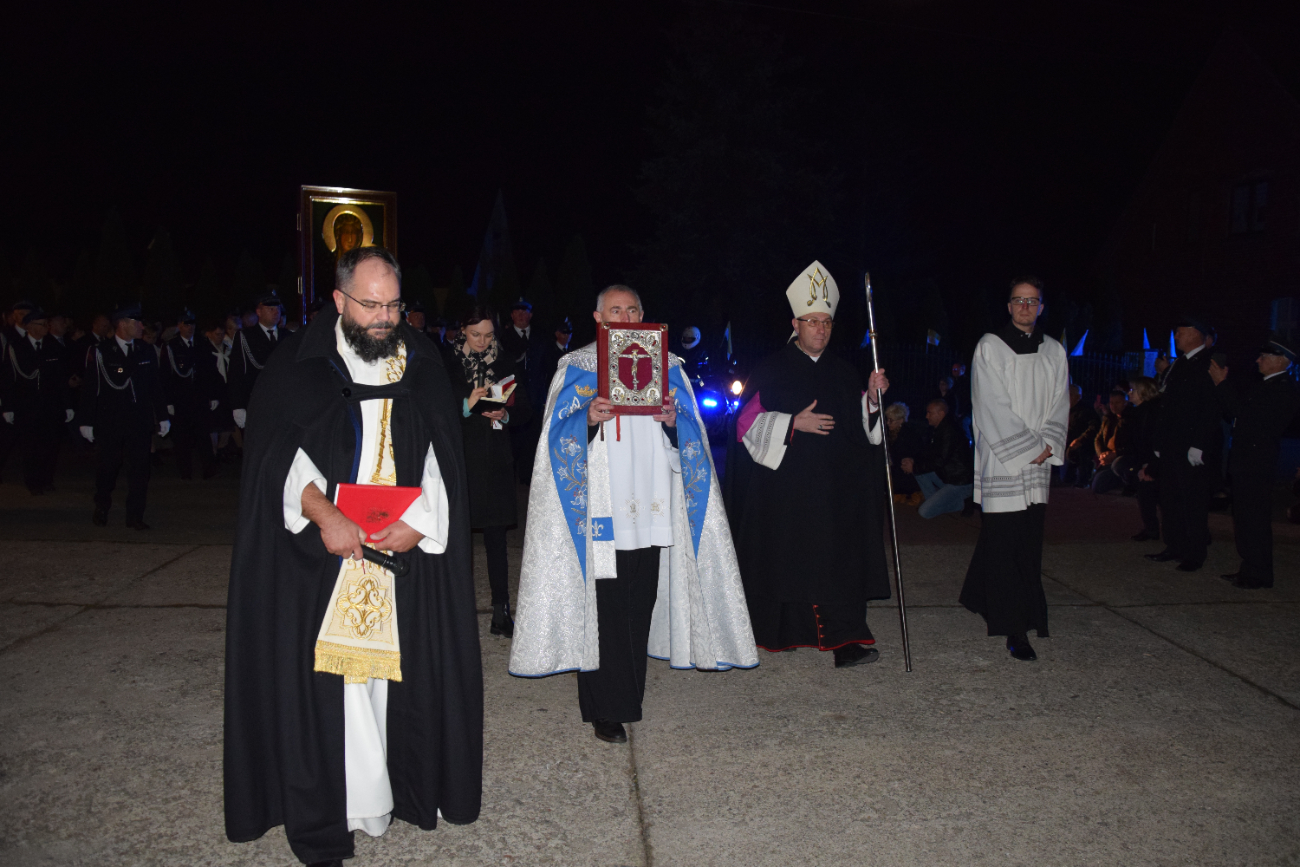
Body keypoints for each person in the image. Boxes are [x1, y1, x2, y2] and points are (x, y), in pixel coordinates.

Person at [224, 246, 481, 866]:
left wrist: (420, 524)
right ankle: (332, 811)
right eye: (371, 304)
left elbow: (442, 459)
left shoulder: (421, 361)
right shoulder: (298, 364)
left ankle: (396, 794)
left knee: (393, 679)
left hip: (402, 558)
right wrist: (324, 514)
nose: (385, 317)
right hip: (321, 560)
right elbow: (273, 457)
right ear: (339, 301)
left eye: (394, 304)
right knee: (334, 686)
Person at [510, 284, 756, 745]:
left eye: (632, 309)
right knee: (604, 608)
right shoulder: (578, 366)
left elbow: (695, 438)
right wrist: (587, 417)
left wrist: (672, 420)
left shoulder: (669, 366)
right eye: (615, 310)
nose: (624, 316)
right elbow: (552, 439)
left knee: (637, 605)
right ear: (599, 318)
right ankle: (606, 708)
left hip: (653, 505)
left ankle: (628, 695)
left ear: (643, 315)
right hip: (602, 507)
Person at [725, 261, 891, 668]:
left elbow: (861, 430)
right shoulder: (769, 369)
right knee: (788, 559)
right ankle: (781, 633)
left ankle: (846, 641)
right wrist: (790, 424)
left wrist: (871, 399)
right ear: (795, 324)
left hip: (836, 491)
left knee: (839, 561)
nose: (821, 329)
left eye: (826, 322)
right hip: (785, 493)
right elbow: (743, 425)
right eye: (812, 321)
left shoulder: (845, 371)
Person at [960, 276, 1069, 662]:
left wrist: (1048, 444)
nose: (1025, 307)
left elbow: (1060, 402)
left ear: (1041, 307)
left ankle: (978, 595)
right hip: (1004, 458)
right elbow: (989, 404)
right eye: (1018, 300)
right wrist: (1031, 447)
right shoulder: (991, 347)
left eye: (1033, 301)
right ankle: (1015, 628)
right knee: (1005, 541)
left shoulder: (1054, 350)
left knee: (1025, 540)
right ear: (1008, 306)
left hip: (1038, 462)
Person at [447, 305, 532, 637]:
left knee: (497, 537)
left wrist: (505, 415)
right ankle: (457, 608)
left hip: (496, 459)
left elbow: (525, 407)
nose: (482, 342)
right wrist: (467, 405)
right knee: (459, 538)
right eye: (475, 335)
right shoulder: (448, 363)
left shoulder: (504, 362)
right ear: (462, 333)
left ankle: (501, 609)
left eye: (488, 335)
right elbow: (434, 410)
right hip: (462, 458)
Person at [1209, 335, 1299, 589]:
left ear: (1281, 361)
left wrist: (1221, 385)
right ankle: (1250, 568)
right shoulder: (1267, 384)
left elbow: (1246, 417)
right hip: (1248, 461)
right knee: (1245, 518)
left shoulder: (1282, 388)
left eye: (1264, 357)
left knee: (1254, 519)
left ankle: (1258, 573)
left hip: (1256, 463)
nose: (1258, 360)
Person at [78, 302, 171, 529]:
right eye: (135, 322)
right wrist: (86, 421)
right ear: (122, 324)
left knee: (140, 470)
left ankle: (135, 516)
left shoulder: (145, 350)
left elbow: (154, 387)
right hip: (111, 421)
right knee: (108, 467)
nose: (140, 326)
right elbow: (91, 388)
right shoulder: (102, 351)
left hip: (139, 421)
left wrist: (162, 415)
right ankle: (102, 505)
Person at [1145, 314, 1221, 572]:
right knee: (1171, 499)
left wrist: (1199, 444)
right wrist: (1159, 441)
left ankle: (1195, 552)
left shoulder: (1207, 362)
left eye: (1181, 331)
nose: (1176, 336)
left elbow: (1209, 408)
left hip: (1190, 446)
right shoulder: (1179, 364)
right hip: (1171, 444)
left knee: (1193, 501)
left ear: (1196, 333)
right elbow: (1166, 406)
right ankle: (1174, 545)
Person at [2, 308, 75, 493]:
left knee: (51, 445)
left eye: (46, 324)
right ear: (29, 327)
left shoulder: (52, 346)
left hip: (51, 405)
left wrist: (67, 405)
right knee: (30, 446)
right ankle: (33, 481)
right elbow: (9, 379)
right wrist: (8, 407)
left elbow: (60, 379)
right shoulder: (16, 347)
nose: (45, 328)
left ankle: (47, 479)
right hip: (27, 406)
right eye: (41, 325)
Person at [162, 309, 218, 480]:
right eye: (186, 324)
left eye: (192, 324)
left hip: (200, 397)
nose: (189, 327)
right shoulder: (171, 346)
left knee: (204, 436)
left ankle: (209, 470)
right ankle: (184, 471)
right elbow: (165, 374)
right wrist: (168, 401)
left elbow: (210, 371)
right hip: (180, 399)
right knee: (182, 439)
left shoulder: (202, 343)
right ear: (179, 326)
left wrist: (213, 395)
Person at [901, 398, 974, 518]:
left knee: (924, 512)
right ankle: (935, 502)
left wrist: (915, 467)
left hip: (959, 482)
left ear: (941, 414)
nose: (926, 416)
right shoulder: (940, 429)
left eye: (930, 413)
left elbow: (940, 461)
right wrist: (913, 461)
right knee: (918, 471)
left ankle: (962, 503)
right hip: (947, 477)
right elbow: (929, 452)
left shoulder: (950, 431)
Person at [228, 291, 285, 430]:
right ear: (259, 312)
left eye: (277, 308)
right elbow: (236, 373)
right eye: (270, 308)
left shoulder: (289, 336)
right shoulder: (245, 336)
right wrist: (238, 406)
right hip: (256, 403)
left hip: (284, 404)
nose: (275, 311)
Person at [1122, 377, 1163, 541]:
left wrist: (1147, 464)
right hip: (1143, 458)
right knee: (1145, 495)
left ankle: (1155, 529)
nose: (1129, 393)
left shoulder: (1150, 412)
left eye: (1133, 390)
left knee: (1152, 494)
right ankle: (1150, 528)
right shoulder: (1138, 412)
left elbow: (1150, 440)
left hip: (1152, 459)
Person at [1089, 389, 1130, 494]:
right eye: (1111, 403)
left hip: (1121, 457)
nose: (1113, 406)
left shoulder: (1131, 419)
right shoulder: (1108, 419)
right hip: (1107, 458)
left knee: (1101, 483)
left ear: (1125, 402)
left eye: (1117, 403)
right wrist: (1102, 454)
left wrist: (1115, 454)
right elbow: (1098, 439)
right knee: (1097, 485)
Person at [884, 402, 923, 501]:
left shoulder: (909, 434)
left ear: (900, 420)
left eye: (891, 420)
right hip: (895, 467)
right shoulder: (889, 432)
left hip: (905, 470)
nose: (888, 423)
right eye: (887, 419)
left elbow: (908, 456)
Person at [1062, 384, 1099, 486]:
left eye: (1071, 395)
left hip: (1081, 444)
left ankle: (1082, 481)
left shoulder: (1086, 410)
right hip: (1065, 441)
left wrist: (1080, 440)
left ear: (1078, 397)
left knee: (1080, 452)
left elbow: (1093, 427)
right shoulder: (1064, 409)